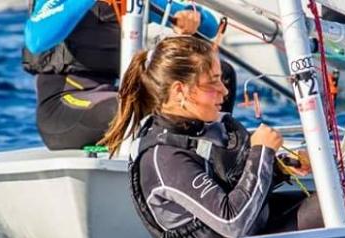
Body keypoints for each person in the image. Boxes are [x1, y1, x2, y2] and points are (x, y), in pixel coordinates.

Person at [100, 36, 345, 238]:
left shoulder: (204, 128)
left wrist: (284, 165)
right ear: (179, 91)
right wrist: (262, 153)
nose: (224, 91)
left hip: (255, 233)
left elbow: (234, 182)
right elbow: (234, 222)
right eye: (213, 82)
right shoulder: (164, 158)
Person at [22, 0, 237, 150]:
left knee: (220, 76)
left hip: (115, 94)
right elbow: (36, 39)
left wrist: (192, 18)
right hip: (63, 107)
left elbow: (210, 26)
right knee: (130, 107)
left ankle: (213, 152)